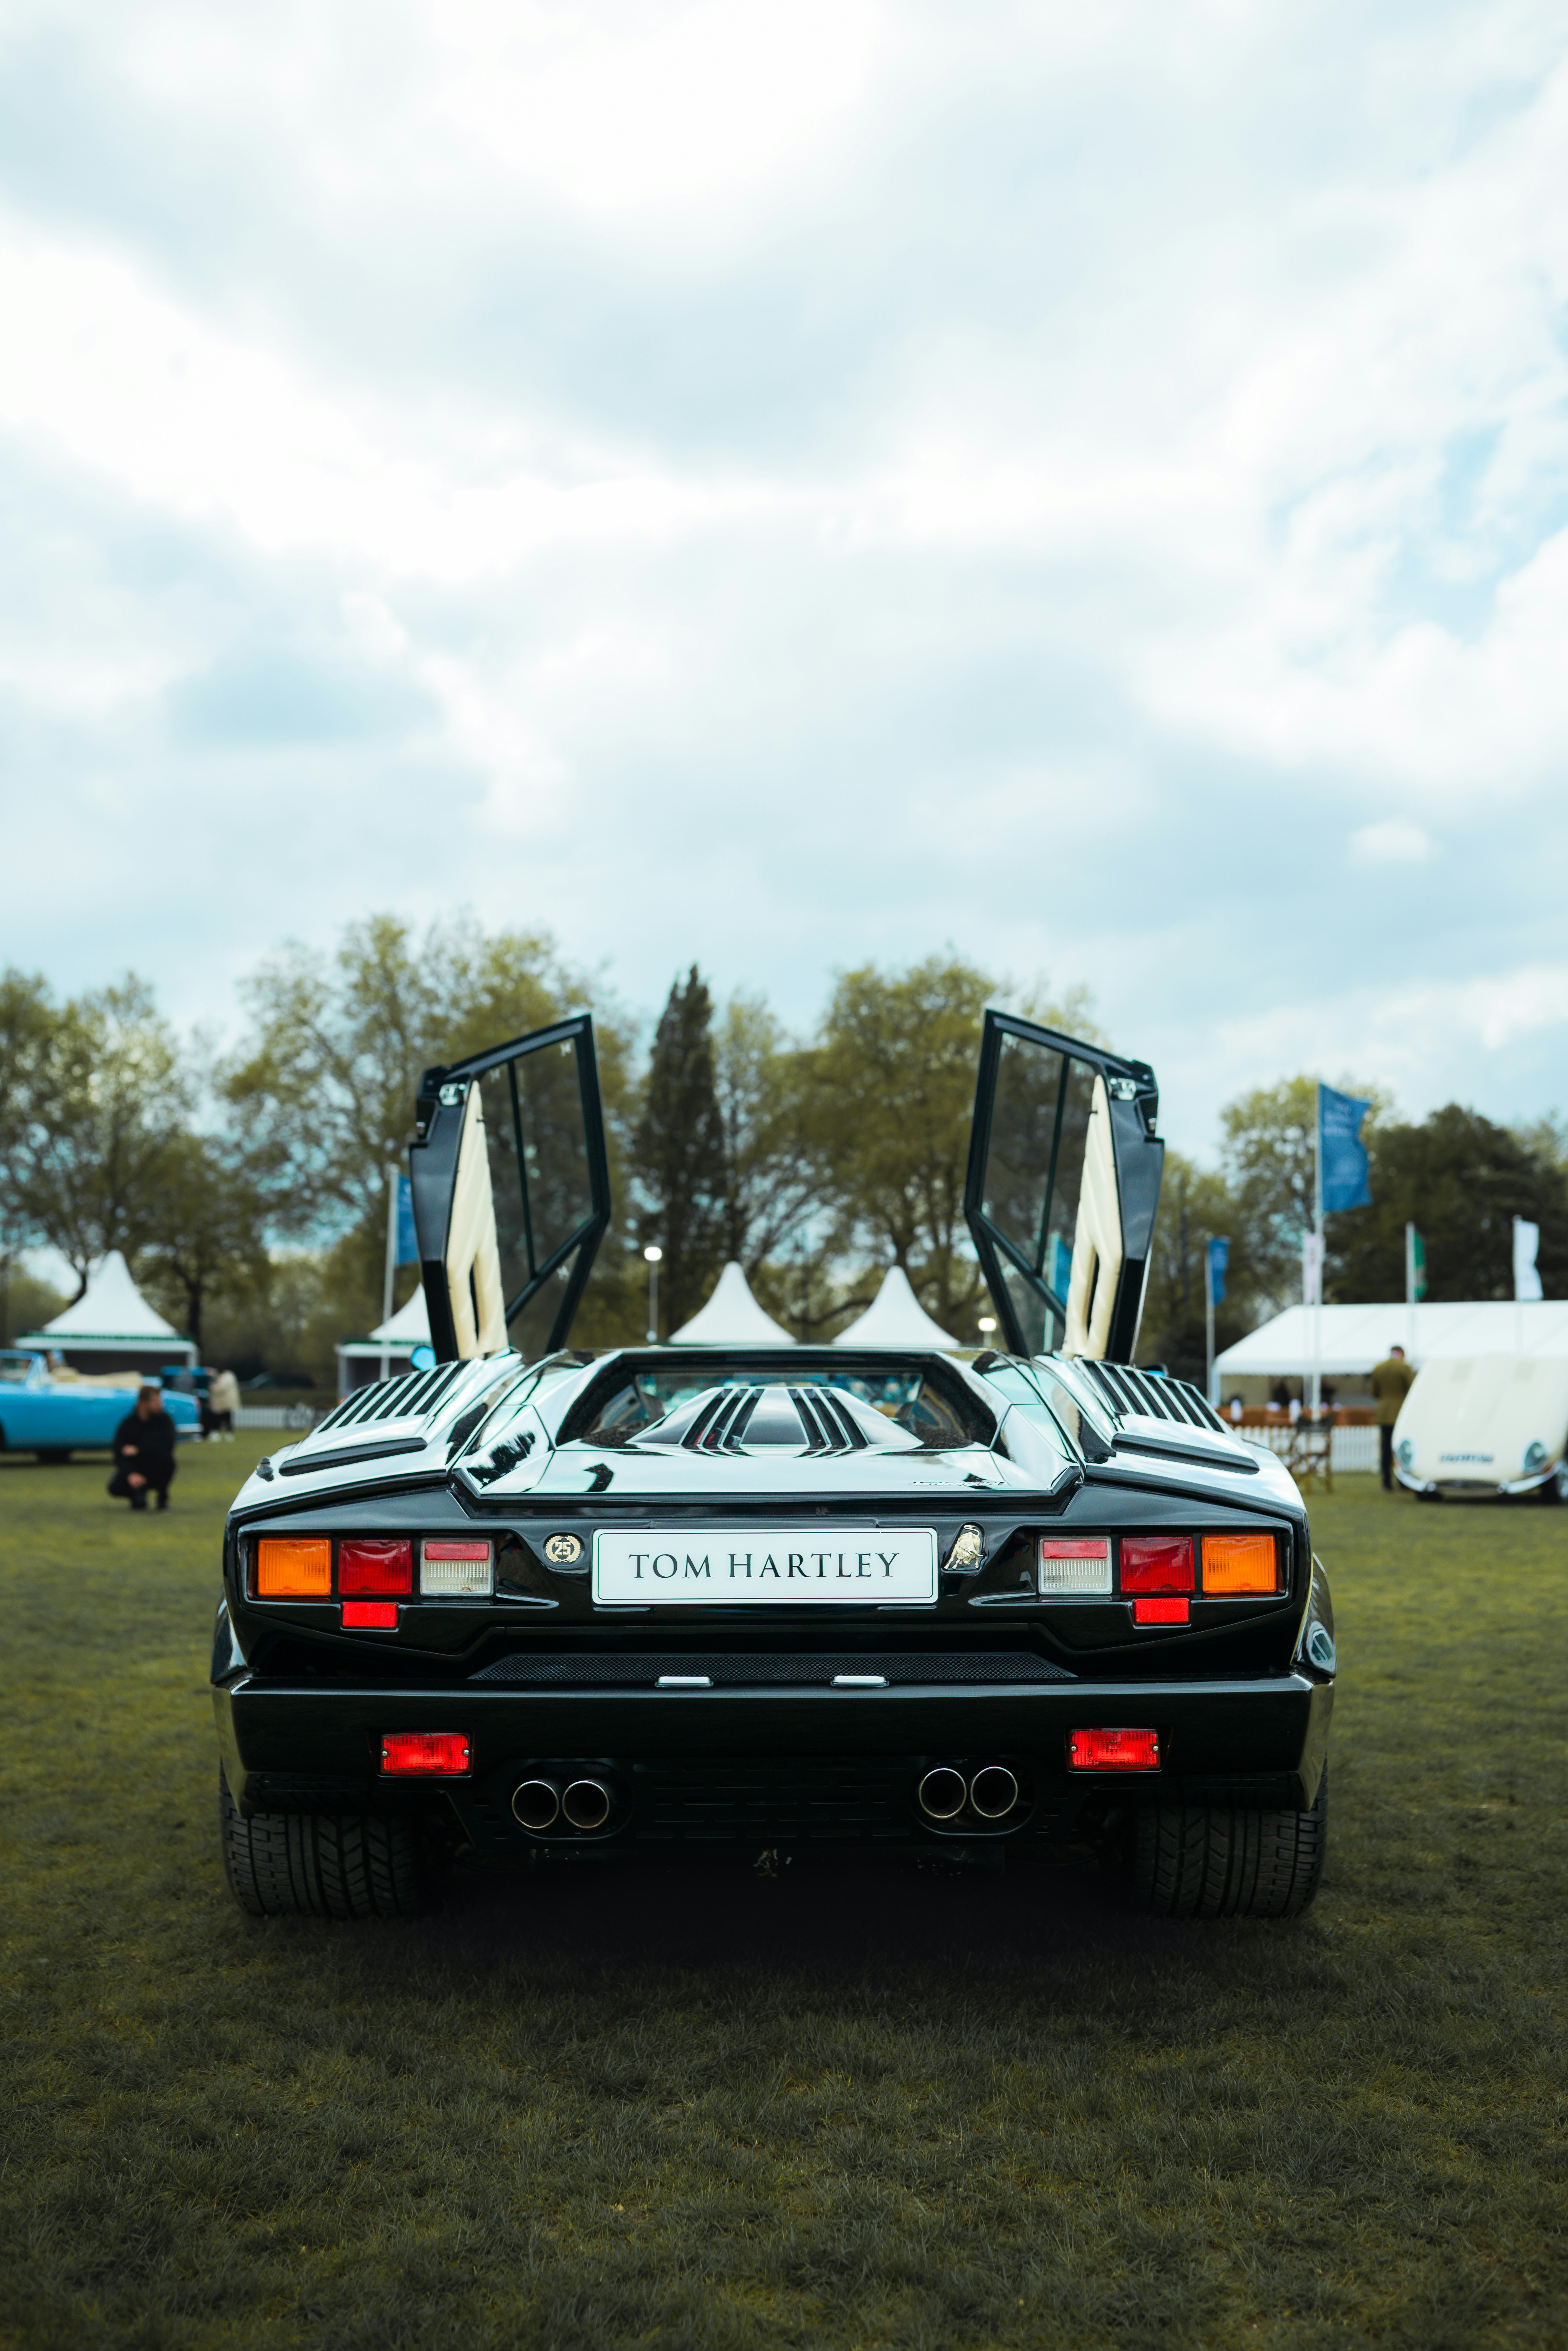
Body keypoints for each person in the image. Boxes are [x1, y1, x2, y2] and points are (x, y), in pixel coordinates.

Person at [108, 1384, 178, 1511]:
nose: (160, 1404)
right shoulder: (128, 1424)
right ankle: (138, 1495)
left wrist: (138, 1450)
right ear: (143, 1403)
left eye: (159, 1400)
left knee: (167, 1461)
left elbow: (168, 1446)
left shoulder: (165, 1421)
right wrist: (130, 1474)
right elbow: (119, 1453)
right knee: (115, 1487)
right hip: (136, 1469)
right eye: (155, 1401)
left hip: (156, 1468)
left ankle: (162, 1498)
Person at [1368, 1343, 1416, 1491]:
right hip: (1401, 1413)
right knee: (1401, 1449)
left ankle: (1386, 1482)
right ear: (1402, 1354)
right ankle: (1403, 1483)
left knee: (1386, 1449)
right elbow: (1413, 1390)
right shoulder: (1404, 1368)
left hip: (1384, 1413)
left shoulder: (1379, 1368)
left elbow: (1374, 1392)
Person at [208, 1366, 240, 1441]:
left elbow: (221, 1389)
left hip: (224, 1402)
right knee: (226, 1418)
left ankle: (222, 1434)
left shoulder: (226, 1377)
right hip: (225, 1402)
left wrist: (212, 1386)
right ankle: (227, 1434)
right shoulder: (229, 1376)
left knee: (220, 1418)